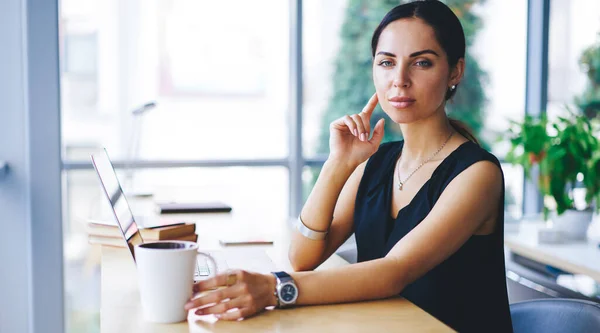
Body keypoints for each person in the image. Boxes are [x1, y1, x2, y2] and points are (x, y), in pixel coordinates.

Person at [184, 1, 513, 331]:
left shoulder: (477, 174)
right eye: (387, 62)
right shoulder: (379, 162)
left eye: (422, 63)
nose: (399, 79)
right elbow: (303, 258)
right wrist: (337, 165)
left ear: (455, 71)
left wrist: (273, 287)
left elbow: (394, 271)